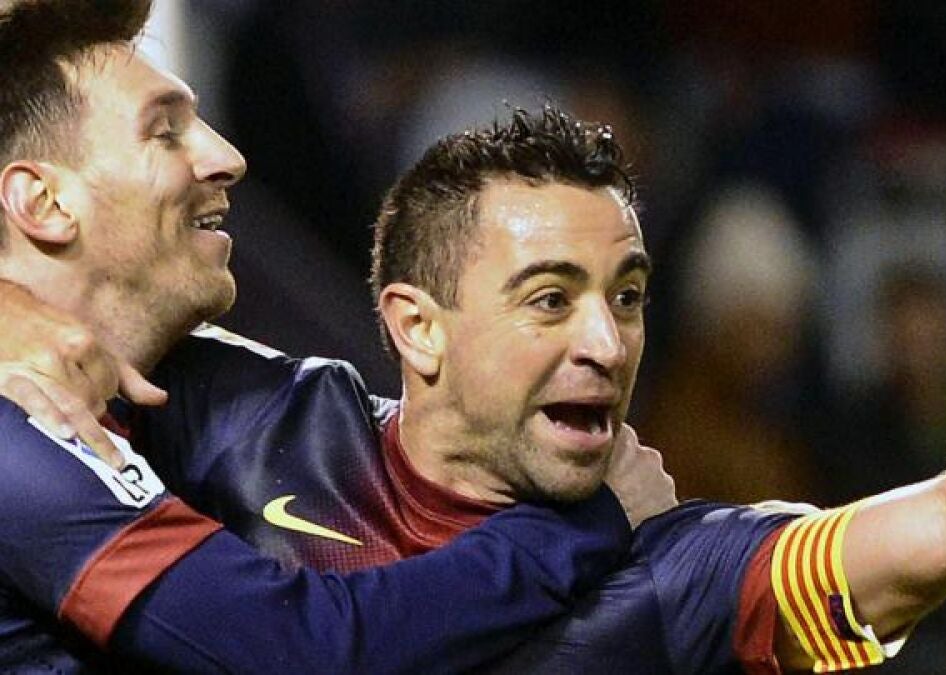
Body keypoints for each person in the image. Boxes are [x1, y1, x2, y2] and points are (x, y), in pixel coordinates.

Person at [17, 102, 946, 673]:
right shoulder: (234, 419)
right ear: (417, 327)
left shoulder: (679, 575)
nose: (606, 340)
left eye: (626, 295)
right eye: (549, 298)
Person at [0, 1, 672, 672]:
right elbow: (298, 648)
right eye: (165, 132)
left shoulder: (187, 396)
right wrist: (583, 522)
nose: (226, 157)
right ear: (44, 202)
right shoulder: (18, 439)